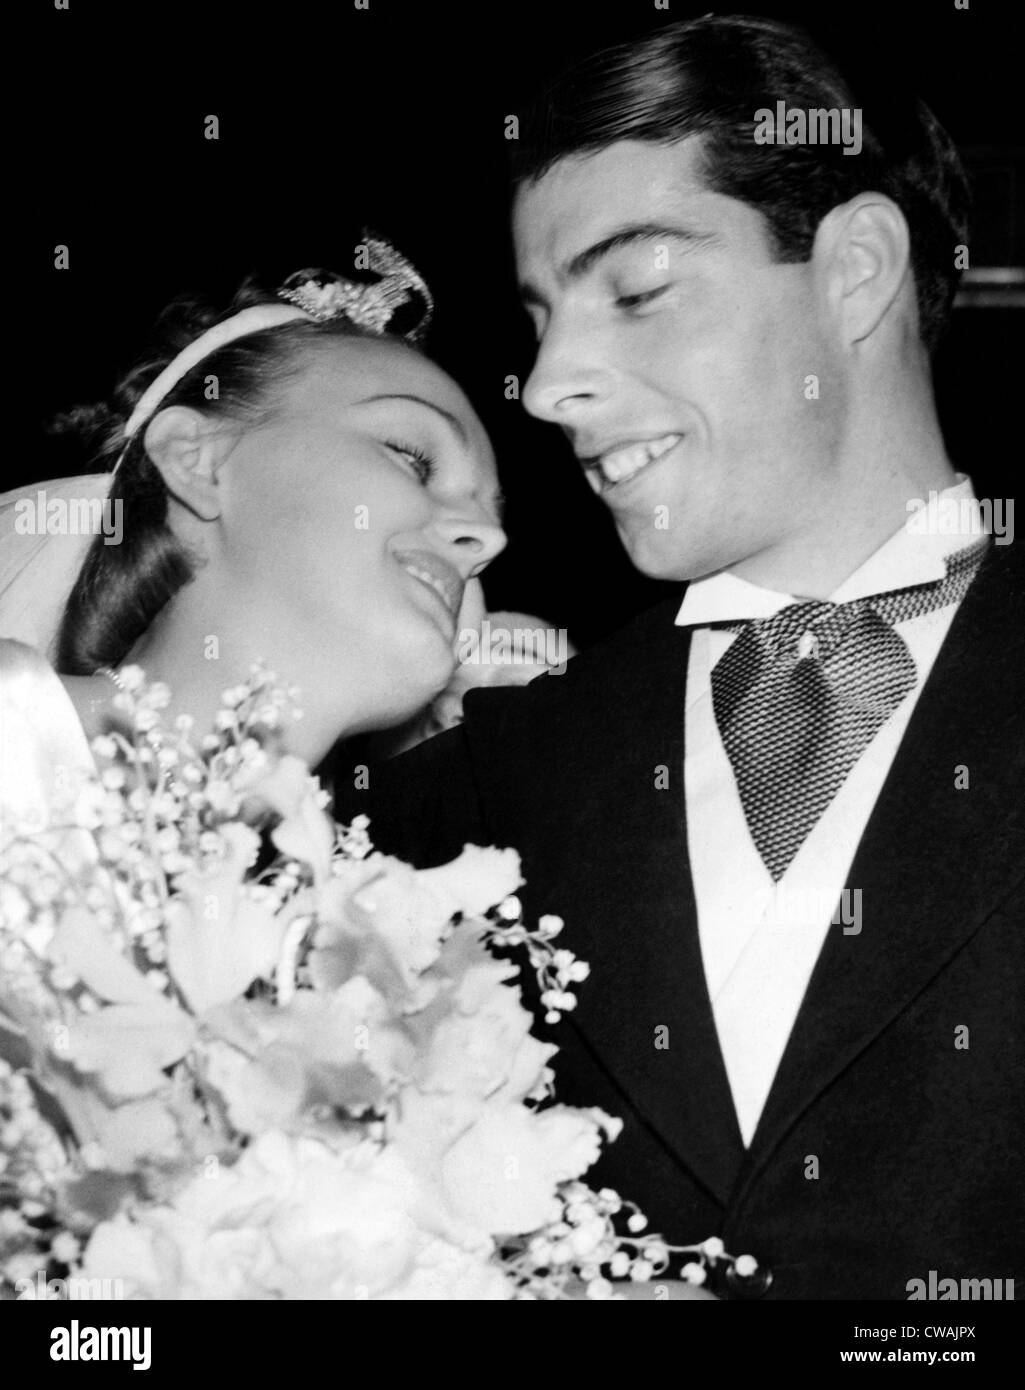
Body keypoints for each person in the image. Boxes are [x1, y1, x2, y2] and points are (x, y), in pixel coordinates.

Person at [347, 17, 1025, 1299]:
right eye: (541, 317)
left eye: (636, 290)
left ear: (856, 269)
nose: (545, 384)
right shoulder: (470, 785)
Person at [0, 242, 507, 830]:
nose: (488, 537)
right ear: (197, 460)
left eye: (492, 514)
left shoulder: (376, 904)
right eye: (413, 457)